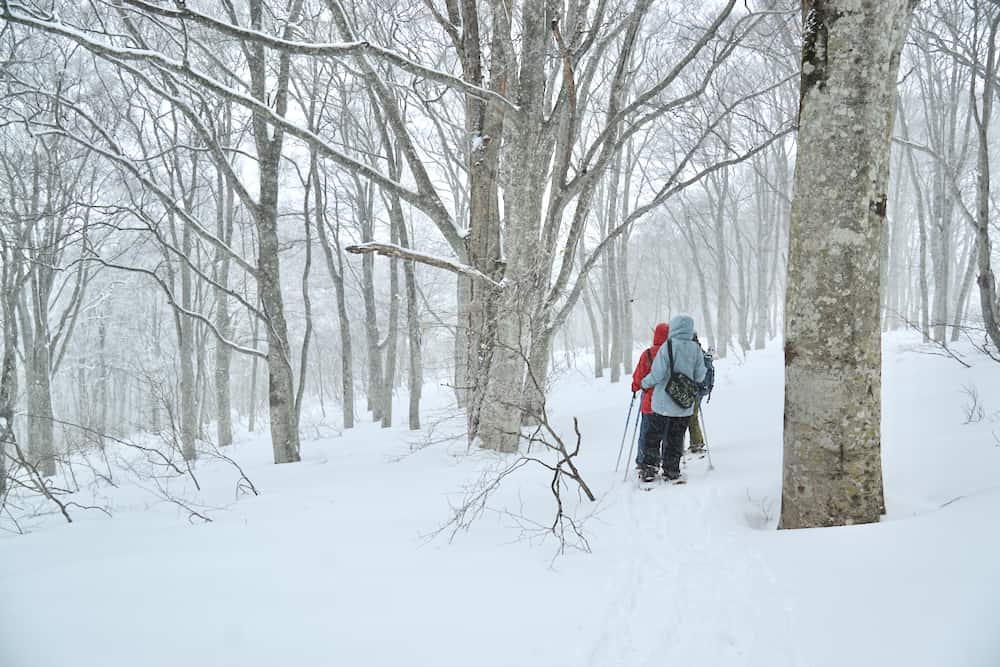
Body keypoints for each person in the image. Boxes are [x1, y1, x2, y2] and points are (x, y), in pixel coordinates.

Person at [638, 313, 707, 482]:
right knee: (675, 438)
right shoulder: (695, 349)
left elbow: (658, 374)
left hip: (662, 403)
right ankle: (671, 469)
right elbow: (699, 377)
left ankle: (650, 467)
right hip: (683, 404)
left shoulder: (667, 346)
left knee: (653, 436)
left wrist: (644, 383)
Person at [630, 323, 669, 469]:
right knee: (668, 435)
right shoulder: (673, 354)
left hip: (650, 404)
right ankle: (668, 464)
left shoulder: (647, 354)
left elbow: (638, 378)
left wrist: (634, 387)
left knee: (648, 435)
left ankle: (647, 465)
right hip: (670, 403)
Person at [688, 334, 715, 454]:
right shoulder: (700, 350)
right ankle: (696, 441)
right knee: (693, 416)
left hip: (694, 389)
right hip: (701, 389)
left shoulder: (693, 352)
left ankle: (697, 442)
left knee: (692, 417)